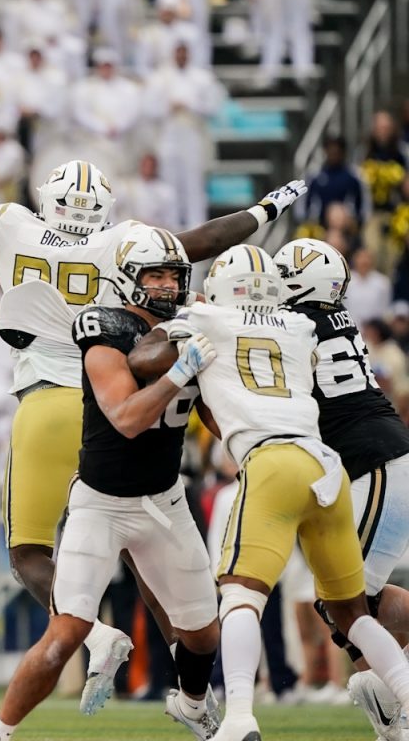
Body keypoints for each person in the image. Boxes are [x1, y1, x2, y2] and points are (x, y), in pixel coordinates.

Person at [0, 55, 306, 713]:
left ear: (48, 199)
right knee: (155, 550)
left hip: (45, 402)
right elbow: (198, 243)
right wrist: (266, 209)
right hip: (119, 398)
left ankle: (93, 637)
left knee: (30, 551)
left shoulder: (16, 226)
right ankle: (189, 679)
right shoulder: (125, 243)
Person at [128, 244, 409, 741]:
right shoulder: (302, 327)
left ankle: (238, 719)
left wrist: (179, 338)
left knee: (240, 596)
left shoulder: (212, 319)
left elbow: (145, 358)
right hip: (329, 468)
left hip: (302, 461)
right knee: (348, 610)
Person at [0, 226, 221, 741]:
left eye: (174, 277)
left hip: (164, 500)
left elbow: (218, 417)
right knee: (66, 633)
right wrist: (179, 373)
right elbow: (127, 418)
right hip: (101, 504)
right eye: (155, 275)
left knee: (202, 634)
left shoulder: (195, 326)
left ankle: (194, 706)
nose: (168, 288)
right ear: (128, 279)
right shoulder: (103, 325)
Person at [273, 238, 409, 738]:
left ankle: (390, 692)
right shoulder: (331, 320)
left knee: (344, 603)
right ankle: (384, 692)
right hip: (378, 462)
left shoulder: (297, 325)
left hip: (377, 464)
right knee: (346, 604)